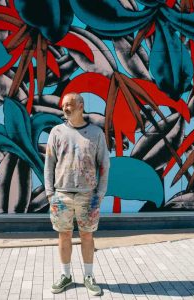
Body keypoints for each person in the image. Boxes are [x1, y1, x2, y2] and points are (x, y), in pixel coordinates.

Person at [44, 92, 110, 296]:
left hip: (88, 195)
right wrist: (49, 193)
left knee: (87, 236)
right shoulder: (56, 132)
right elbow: (49, 164)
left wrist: (99, 194)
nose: (65, 108)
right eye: (63, 105)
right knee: (63, 235)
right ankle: (66, 275)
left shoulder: (96, 133)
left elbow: (104, 165)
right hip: (61, 194)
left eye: (70, 104)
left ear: (81, 105)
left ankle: (89, 276)